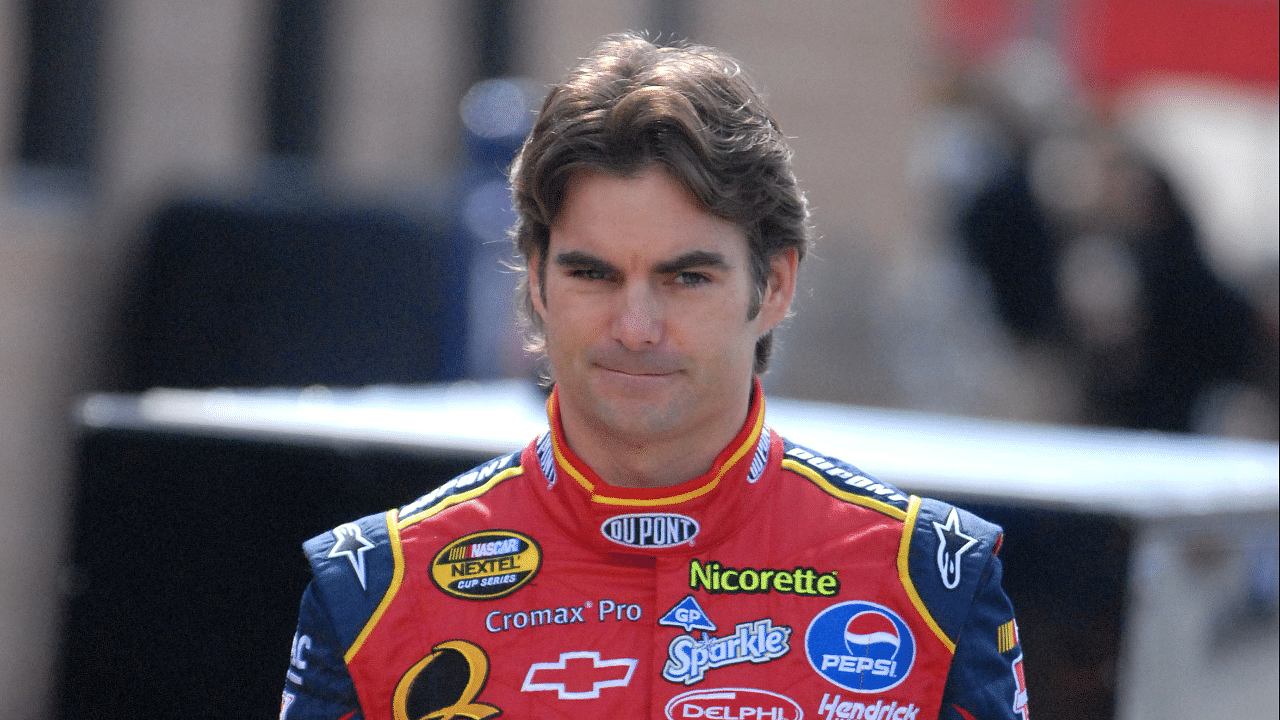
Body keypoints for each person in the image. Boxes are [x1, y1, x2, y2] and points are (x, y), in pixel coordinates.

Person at [281, 32, 1029, 720]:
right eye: (593, 274)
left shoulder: (932, 581)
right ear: (537, 284)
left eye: (686, 278)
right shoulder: (375, 592)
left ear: (774, 286)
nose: (635, 327)